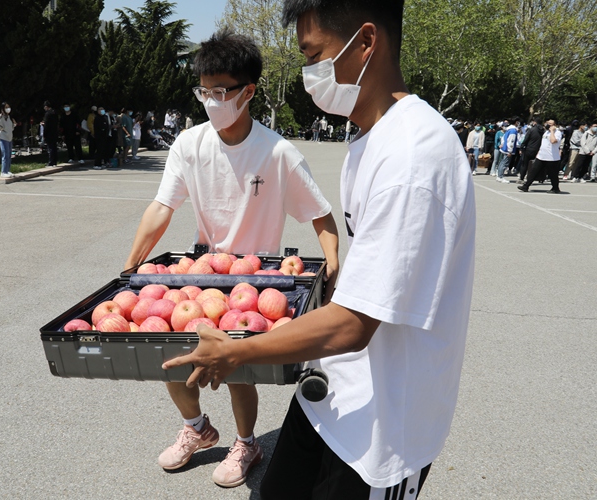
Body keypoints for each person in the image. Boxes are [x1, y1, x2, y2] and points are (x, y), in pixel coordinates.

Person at [163, 2, 477, 498]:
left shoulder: (413, 157)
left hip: (383, 428)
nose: (309, 74)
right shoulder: (370, 139)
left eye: (313, 56)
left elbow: (353, 324)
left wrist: (236, 350)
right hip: (332, 392)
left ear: (366, 42)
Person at [124, 29, 339, 489]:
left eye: (221, 92)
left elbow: (320, 214)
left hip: (257, 281)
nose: (211, 101)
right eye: (204, 91)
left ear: (249, 92)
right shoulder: (189, 145)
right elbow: (162, 207)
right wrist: (130, 266)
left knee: (238, 370)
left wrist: (332, 265)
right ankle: (197, 428)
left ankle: (246, 442)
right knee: (171, 355)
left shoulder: (277, 153)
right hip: (202, 272)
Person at [518, 119, 562, 193]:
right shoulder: (546, 132)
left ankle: (555, 188)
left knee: (552, 174)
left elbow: (553, 141)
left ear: (555, 125)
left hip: (551, 157)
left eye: (550, 124)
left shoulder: (557, 132)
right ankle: (526, 186)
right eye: (547, 123)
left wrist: (552, 131)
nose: (548, 125)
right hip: (541, 156)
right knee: (533, 171)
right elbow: (543, 143)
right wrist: (538, 152)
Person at [0, 102, 17, 178]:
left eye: (8, 107)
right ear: (3, 109)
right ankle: (3, 172)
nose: (8, 109)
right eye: (6, 107)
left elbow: (11, 128)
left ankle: (7, 170)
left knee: (9, 155)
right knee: (5, 155)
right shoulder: (1, 116)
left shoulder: (9, 117)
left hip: (9, 138)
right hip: (3, 138)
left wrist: (14, 124)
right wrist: (0, 128)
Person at [517, 117, 544, 182]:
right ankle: (537, 178)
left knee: (525, 164)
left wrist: (521, 147)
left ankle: (521, 178)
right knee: (536, 165)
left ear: (535, 122)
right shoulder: (543, 131)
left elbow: (526, 139)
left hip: (529, 149)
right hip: (538, 150)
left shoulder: (532, 130)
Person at [42, 101, 59, 167]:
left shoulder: (47, 114)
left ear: (46, 107)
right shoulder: (55, 113)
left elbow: (46, 125)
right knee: (54, 147)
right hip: (55, 132)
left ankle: (51, 162)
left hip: (49, 133)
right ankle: (55, 161)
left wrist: (44, 134)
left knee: (50, 148)